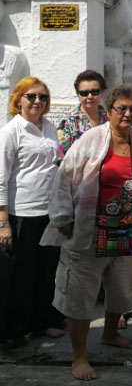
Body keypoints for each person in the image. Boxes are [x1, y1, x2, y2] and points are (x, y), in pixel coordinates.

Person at [41, 85, 132, 382]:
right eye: (121, 108)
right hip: (91, 231)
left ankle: (111, 333)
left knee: (122, 286)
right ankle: (79, 355)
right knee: (80, 292)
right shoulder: (92, 139)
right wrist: (63, 217)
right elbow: (65, 176)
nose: (127, 114)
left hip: (128, 230)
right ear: (109, 110)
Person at [0, 77, 64, 344]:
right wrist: (2, 221)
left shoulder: (49, 128)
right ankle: (15, 327)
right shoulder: (11, 130)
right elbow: (1, 176)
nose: (38, 101)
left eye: (43, 97)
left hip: (47, 212)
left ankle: (42, 320)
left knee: (47, 269)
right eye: (32, 96)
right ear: (18, 100)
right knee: (22, 273)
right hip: (21, 212)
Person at [57, 70, 108, 160]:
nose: (90, 96)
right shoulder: (69, 122)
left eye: (95, 92)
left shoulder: (110, 118)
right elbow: (60, 155)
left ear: (102, 93)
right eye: (84, 93)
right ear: (78, 95)